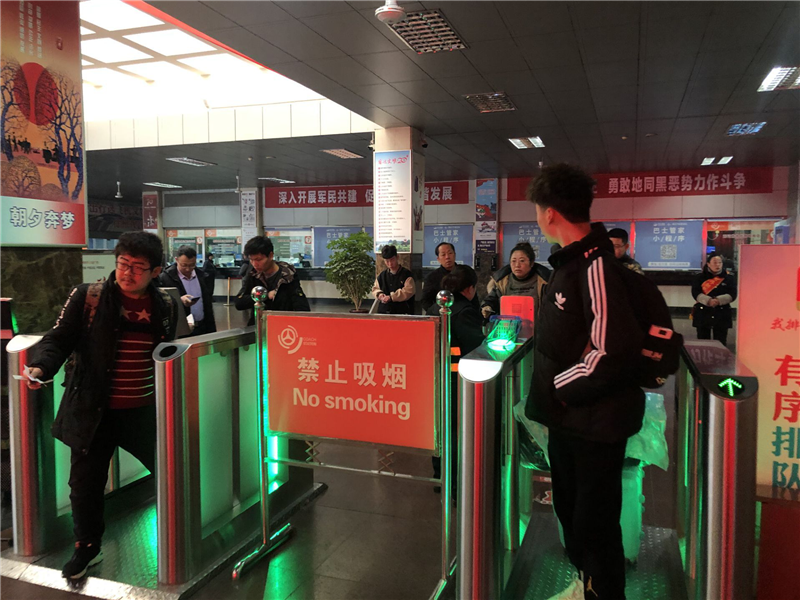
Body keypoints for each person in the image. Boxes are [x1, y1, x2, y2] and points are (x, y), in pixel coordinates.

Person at [23, 232, 178, 580]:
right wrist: (41, 367)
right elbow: (59, 338)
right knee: (85, 485)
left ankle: (178, 536)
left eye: (138, 267)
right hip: (93, 410)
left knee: (172, 472)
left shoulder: (165, 305)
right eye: (123, 263)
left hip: (144, 411)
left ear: (155, 271)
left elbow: (169, 352)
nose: (128, 272)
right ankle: (87, 547)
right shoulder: (88, 297)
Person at [526, 164, 644, 600]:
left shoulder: (595, 267)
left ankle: (603, 591)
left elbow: (612, 350)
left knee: (595, 521)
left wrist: (560, 388)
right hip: (571, 420)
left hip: (594, 422)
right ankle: (586, 583)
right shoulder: (569, 264)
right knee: (573, 511)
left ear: (550, 213)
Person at [426, 264, 484, 492]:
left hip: (436, 375)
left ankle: (440, 476)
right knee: (455, 429)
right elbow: (475, 346)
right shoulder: (465, 310)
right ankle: (456, 482)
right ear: (469, 288)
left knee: (440, 427)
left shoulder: (435, 307)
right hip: (455, 377)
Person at [235, 236, 310, 325]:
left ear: (270, 256)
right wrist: (264, 296)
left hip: (283, 325)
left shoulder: (288, 275)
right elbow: (239, 302)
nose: (255, 264)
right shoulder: (253, 275)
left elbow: (302, 306)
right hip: (259, 325)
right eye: (251, 260)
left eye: (259, 259)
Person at [481, 242, 550, 320]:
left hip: (536, 326)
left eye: (522, 261)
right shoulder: (502, 281)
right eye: (513, 261)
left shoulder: (543, 281)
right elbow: (492, 298)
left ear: (531, 263)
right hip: (509, 326)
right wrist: (487, 306)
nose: (517, 265)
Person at [157, 245, 217, 336]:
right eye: (184, 265)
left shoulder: (202, 276)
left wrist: (212, 330)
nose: (188, 269)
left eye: (192, 265)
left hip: (202, 327)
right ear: (176, 260)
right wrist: (178, 300)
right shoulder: (166, 278)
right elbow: (159, 303)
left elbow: (207, 304)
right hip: (179, 330)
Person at [691, 253, 737, 347]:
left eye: (720, 263)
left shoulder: (729, 278)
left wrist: (718, 300)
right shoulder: (699, 277)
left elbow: (733, 293)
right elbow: (695, 292)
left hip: (722, 312)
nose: (718, 265)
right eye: (715, 262)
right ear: (708, 264)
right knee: (703, 341)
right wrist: (708, 301)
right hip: (703, 312)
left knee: (720, 341)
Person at [372, 245, 416, 315]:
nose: (390, 263)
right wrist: (380, 295)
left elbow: (408, 291)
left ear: (397, 257)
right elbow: (375, 289)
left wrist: (391, 297)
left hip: (402, 312)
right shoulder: (382, 276)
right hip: (384, 312)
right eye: (387, 261)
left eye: (392, 260)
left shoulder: (407, 275)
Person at [421, 242, 456, 312]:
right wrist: (437, 313)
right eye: (443, 254)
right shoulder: (431, 277)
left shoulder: (464, 273)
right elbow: (425, 301)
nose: (447, 257)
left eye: (450, 253)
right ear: (438, 259)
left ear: (454, 255)